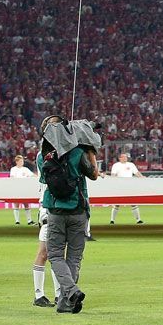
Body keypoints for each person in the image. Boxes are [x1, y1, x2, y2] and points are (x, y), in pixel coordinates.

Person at [37, 116, 99, 313]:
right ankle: (68, 297)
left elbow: (43, 180)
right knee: (74, 257)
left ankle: (68, 296)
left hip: (55, 211)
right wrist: (90, 148)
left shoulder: (42, 156)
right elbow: (94, 174)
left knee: (55, 255)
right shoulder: (78, 153)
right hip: (79, 210)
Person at [107, 152, 143, 225]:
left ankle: (138, 220)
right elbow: (113, 175)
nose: (125, 158)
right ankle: (112, 220)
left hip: (129, 186)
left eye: (126, 157)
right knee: (117, 204)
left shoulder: (131, 165)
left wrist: (142, 177)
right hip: (119, 186)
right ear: (120, 158)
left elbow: (137, 173)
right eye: (123, 157)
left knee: (133, 203)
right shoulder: (116, 165)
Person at [8, 155, 36, 226]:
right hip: (16, 189)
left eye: (22, 161)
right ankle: (17, 221)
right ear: (17, 162)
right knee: (16, 204)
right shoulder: (13, 169)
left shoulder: (25, 169)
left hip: (25, 189)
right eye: (20, 161)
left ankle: (29, 220)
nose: (22, 162)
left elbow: (33, 175)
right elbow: (12, 178)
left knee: (26, 204)